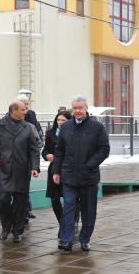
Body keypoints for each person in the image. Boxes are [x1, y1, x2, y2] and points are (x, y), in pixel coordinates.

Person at [53, 96, 110, 252]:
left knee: (88, 210)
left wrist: (90, 164)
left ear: (86, 109)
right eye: (75, 108)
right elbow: (59, 151)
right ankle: (66, 240)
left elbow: (104, 149)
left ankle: (85, 239)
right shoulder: (66, 127)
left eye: (80, 108)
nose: (77, 111)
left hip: (89, 177)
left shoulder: (97, 127)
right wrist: (56, 170)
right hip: (69, 176)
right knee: (69, 207)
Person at [0, 100, 40, 243]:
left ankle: (17, 231)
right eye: (22, 109)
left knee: (21, 201)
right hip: (3, 169)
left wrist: (34, 167)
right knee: (3, 199)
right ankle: (6, 227)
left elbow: (34, 149)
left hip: (22, 169)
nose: (25, 112)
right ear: (13, 111)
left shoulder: (28, 127)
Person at [41, 110, 72, 244]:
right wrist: (47, 155)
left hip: (68, 170)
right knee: (54, 199)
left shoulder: (72, 133)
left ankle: (67, 226)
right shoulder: (50, 133)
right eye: (58, 120)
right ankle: (63, 224)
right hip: (53, 169)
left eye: (63, 120)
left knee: (69, 200)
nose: (60, 122)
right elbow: (45, 150)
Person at [16, 94, 43, 222]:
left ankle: (27, 210)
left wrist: (38, 145)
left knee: (25, 185)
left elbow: (37, 130)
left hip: (28, 155)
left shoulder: (31, 114)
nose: (25, 106)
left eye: (27, 104)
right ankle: (23, 210)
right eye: (23, 103)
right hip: (16, 156)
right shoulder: (11, 113)